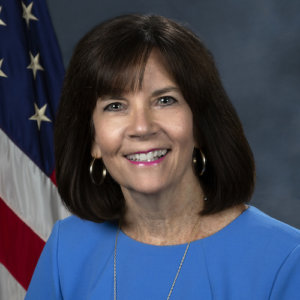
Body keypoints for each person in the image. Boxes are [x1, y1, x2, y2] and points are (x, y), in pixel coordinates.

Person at [25, 14, 300, 299]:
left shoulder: (285, 260)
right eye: (116, 105)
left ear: (200, 126)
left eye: (165, 100)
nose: (142, 127)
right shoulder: (66, 250)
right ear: (92, 139)